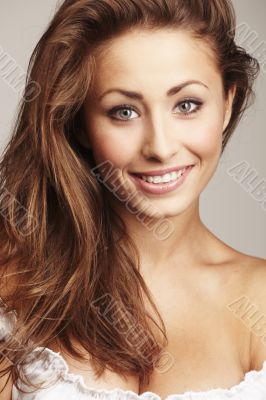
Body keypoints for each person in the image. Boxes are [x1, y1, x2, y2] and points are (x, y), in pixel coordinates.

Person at [0, 0, 265, 399]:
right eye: (123, 111)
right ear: (82, 123)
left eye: (187, 105)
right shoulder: (15, 282)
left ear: (226, 105)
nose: (160, 147)